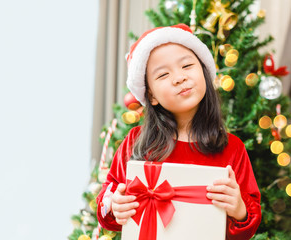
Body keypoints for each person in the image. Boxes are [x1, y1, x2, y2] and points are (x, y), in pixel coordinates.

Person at [96, 24, 261, 240]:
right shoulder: (136, 141)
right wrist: (116, 205)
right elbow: (108, 201)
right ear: (151, 96)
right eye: (163, 74)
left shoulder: (232, 148)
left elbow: (248, 221)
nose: (179, 78)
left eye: (187, 65)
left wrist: (238, 208)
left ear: (203, 71)